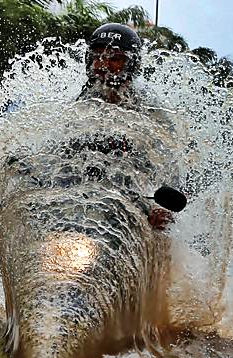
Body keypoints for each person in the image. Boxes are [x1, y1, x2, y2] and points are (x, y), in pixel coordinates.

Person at [76, 23, 176, 230]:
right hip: (83, 202)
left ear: (131, 63)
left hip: (135, 204)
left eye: (114, 59)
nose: (102, 65)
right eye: (97, 57)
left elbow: (171, 160)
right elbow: (59, 148)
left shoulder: (151, 109)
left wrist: (161, 207)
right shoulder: (82, 104)